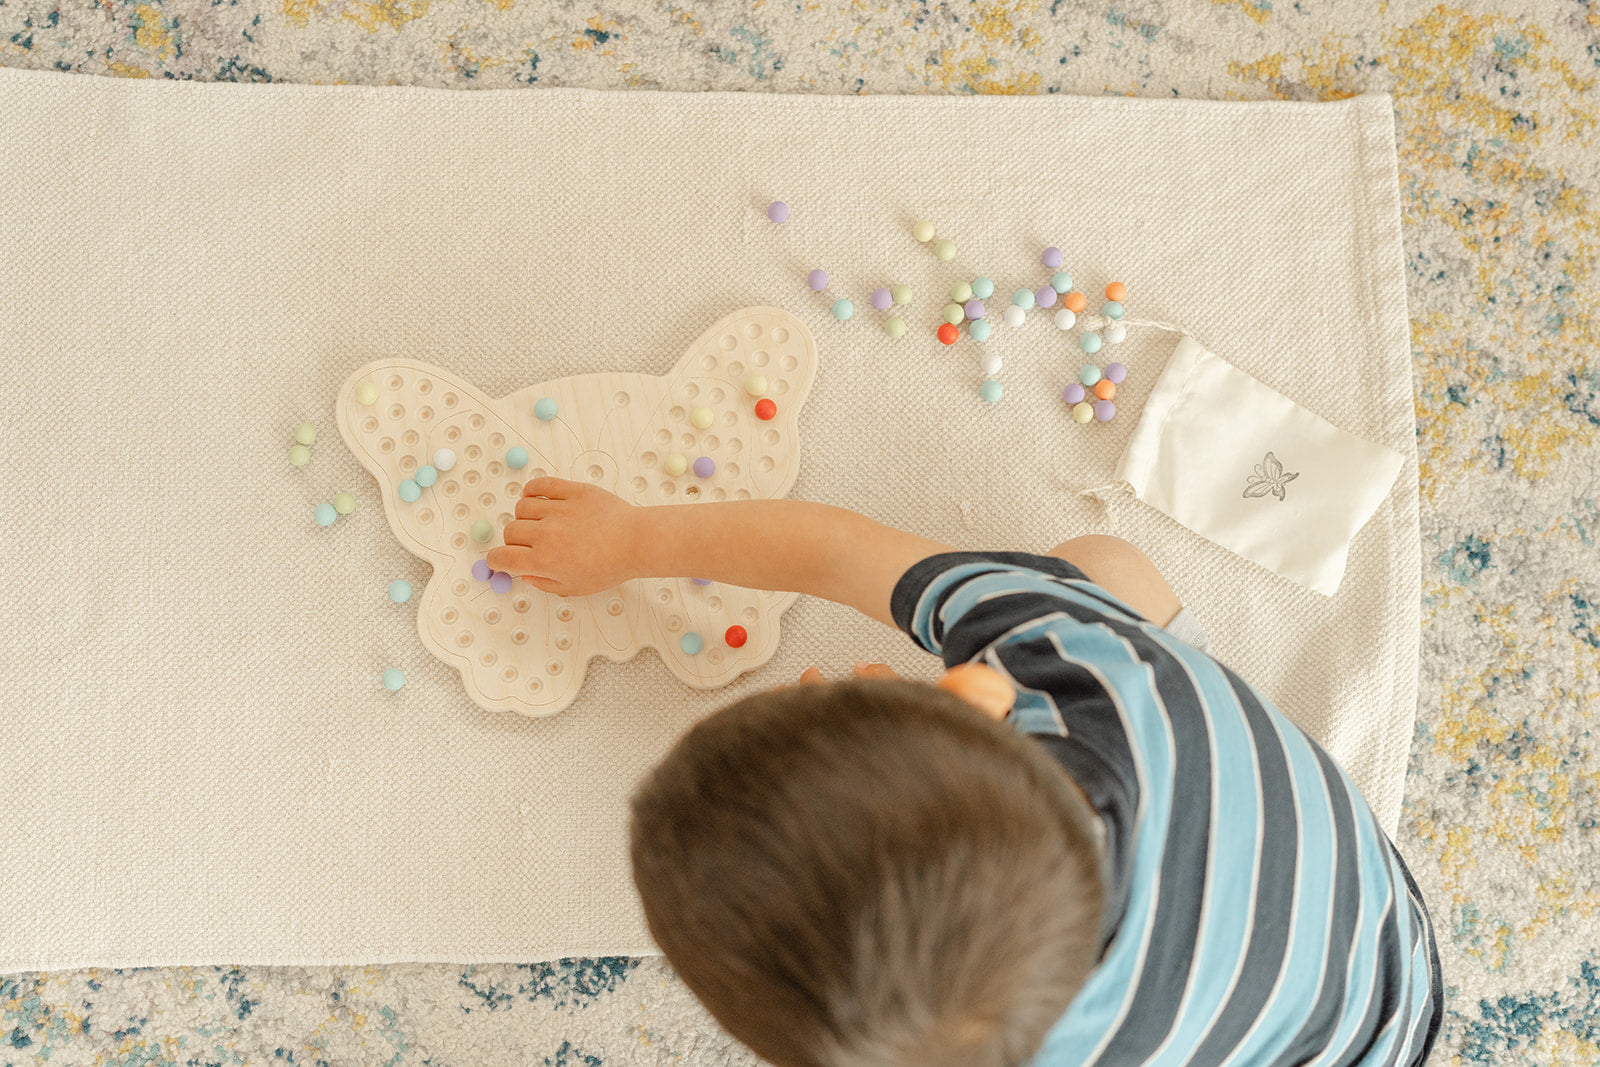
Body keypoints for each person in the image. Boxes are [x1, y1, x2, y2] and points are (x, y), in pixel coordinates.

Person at [486, 477, 1444, 1067]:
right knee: (1098, 562)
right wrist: (636, 536)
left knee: (1097, 561)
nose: (822, 672)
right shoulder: (1079, 655)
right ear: (980, 697)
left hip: (1357, 987)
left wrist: (625, 545)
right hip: (1373, 949)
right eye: (827, 690)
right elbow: (839, 550)